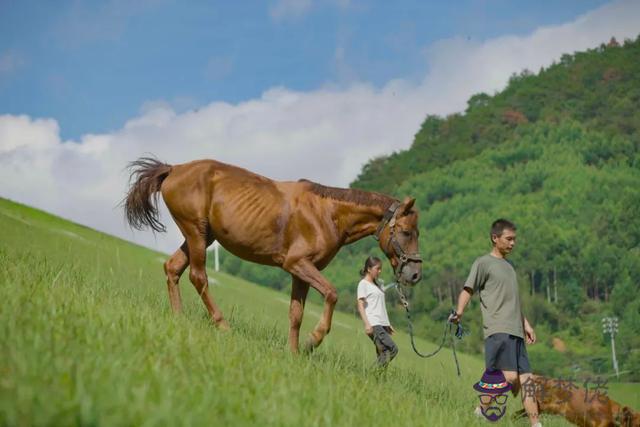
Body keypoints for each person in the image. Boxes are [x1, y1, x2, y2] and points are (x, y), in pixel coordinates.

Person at [449, 219, 541, 427]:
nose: (512, 243)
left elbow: (513, 301)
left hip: (516, 331)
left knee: (527, 382)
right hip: (498, 330)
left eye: (514, 240)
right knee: (509, 378)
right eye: (508, 239)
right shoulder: (483, 263)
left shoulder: (510, 267)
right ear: (495, 238)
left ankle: (537, 425)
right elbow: (468, 289)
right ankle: (480, 411)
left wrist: (526, 324)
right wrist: (460, 312)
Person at [357, 256, 398, 367]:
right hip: (373, 324)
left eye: (381, 269)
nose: (379, 271)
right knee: (392, 349)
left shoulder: (377, 285)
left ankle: (377, 379)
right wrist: (367, 324)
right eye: (377, 268)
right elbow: (360, 305)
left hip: (381, 324)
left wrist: (387, 324)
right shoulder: (363, 284)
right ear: (369, 269)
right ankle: (371, 374)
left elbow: (381, 307)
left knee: (382, 353)